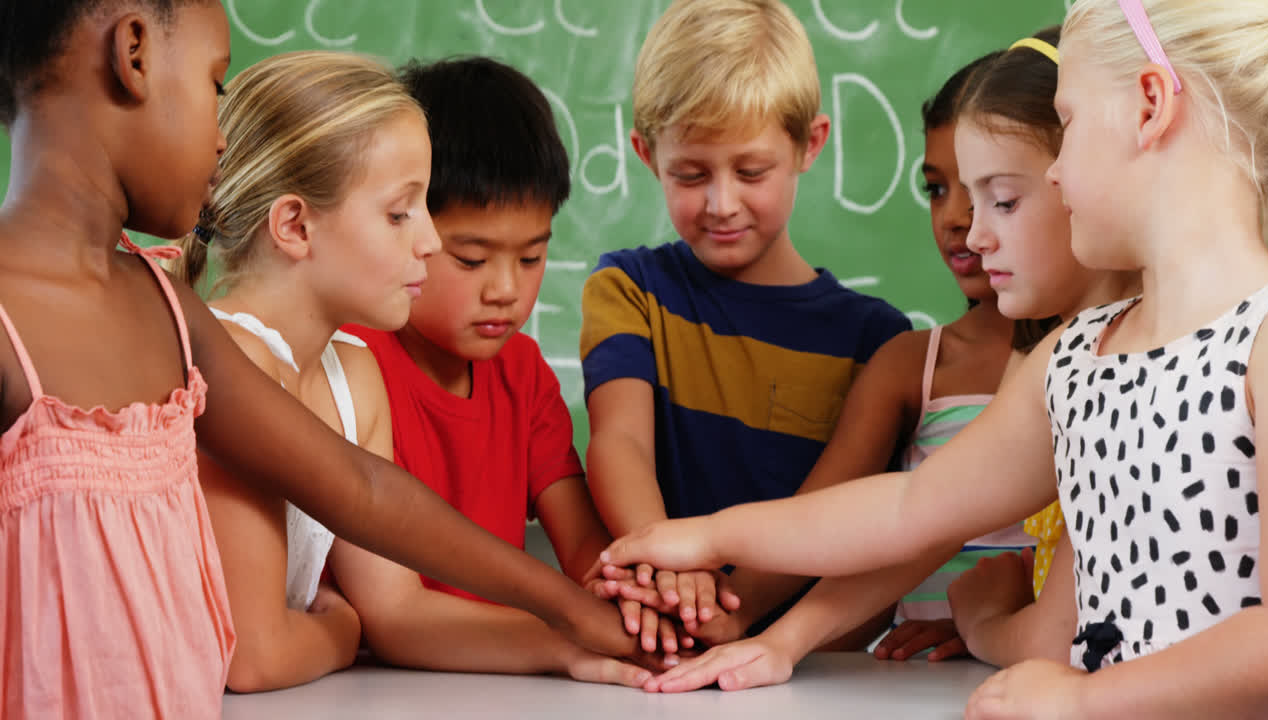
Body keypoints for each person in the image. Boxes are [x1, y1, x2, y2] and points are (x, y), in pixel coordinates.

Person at [600, 2, 1268, 715]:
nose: (1053, 174)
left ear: (1149, 106)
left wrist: (1085, 701)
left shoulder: (1266, 338)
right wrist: (705, 536)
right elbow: (911, 507)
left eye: (1069, 124)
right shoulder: (1076, 357)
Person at [0, 3, 635, 715]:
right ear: (134, 52)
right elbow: (259, 647)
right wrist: (345, 625)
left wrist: (572, 615)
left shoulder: (169, 311)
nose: (221, 140)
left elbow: (362, 491)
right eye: (215, 87)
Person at [580, 0, 910, 653]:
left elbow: (834, 510)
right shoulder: (629, 292)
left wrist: (732, 605)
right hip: (662, 650)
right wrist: (678, 569)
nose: (721, 203)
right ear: (648, 157)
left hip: (822, 673)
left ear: (809, 145)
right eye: (691, 174)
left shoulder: (878, 344)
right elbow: (621, 446)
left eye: (751, 171)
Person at [331, 56, 652, 686]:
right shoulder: (349, 362)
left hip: (505, 684)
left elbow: (586, 551)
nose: (505, 289)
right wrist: (566, 639)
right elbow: (392, 619)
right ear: (406, 224)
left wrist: (640, 608)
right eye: (472, 259)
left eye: (532, 256)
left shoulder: (525, 374)